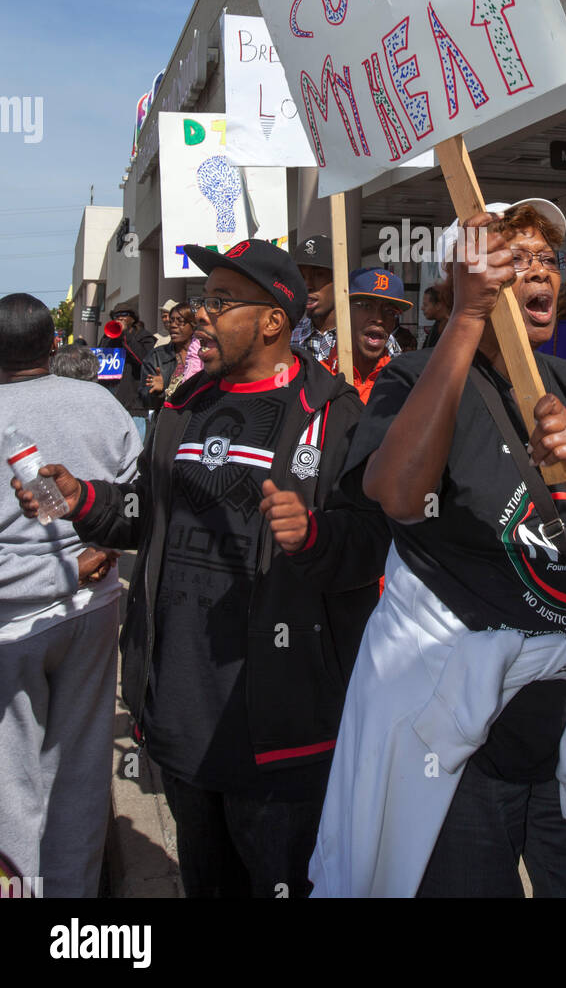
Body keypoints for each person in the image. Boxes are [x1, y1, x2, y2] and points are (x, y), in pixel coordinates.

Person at [12, 241, 390, 898]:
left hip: (282, 733)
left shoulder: (335, 415)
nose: (200, 315)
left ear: (273, 320)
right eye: (201, 299)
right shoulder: (183, 404)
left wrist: (316, 534)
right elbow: (147, 513)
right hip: (182, 725)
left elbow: (374, 543)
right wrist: (86, 499)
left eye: (220, 301)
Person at [310, 203, 566, 899]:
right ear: (464, 275)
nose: (539, 274)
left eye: (548, 261)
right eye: (515, 259)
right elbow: (398, 495)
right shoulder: (413, 377)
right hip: (450, 740)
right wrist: (467, 322)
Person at [0, 293, 140, 897]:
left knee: (12, 777)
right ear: (53, 345)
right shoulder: (100, 404)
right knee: (81, 763)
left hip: (12, 621)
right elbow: (138, 498)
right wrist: (102, 549)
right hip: (91, 604)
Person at [292, 234, 402, 362]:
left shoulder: (376, 340)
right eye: (302, 276)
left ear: (341, 280)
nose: (308, 285)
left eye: (319, 275)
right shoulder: (289, 335)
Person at [320, 268, 413, 405]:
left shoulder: (404, 385)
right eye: (366, 306)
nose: (378, 318)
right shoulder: (317, 379)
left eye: (389, 311)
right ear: (344, 311)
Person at [99, 306, 155, 440]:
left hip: (134, 406)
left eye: (124, 314)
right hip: (111, 405)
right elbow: (100, 364)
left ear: (133, 319)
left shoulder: (144, 337)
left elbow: (143, 361)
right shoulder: (108, 337)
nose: (119, 318)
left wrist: (125, 335)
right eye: (116, 316)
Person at [141, 303, 202, 412]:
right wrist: (159, 391)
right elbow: (145, 400)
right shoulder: (156, 357)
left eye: (180, 321)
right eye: (171, 321)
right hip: (169, 422)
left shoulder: (206, 354)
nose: (173, 325)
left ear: (193, 324)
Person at [421, 284, 451, 348]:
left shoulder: (450, 328)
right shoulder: (438, 325)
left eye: (425, 305)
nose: (422, 308)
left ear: (438, 305)